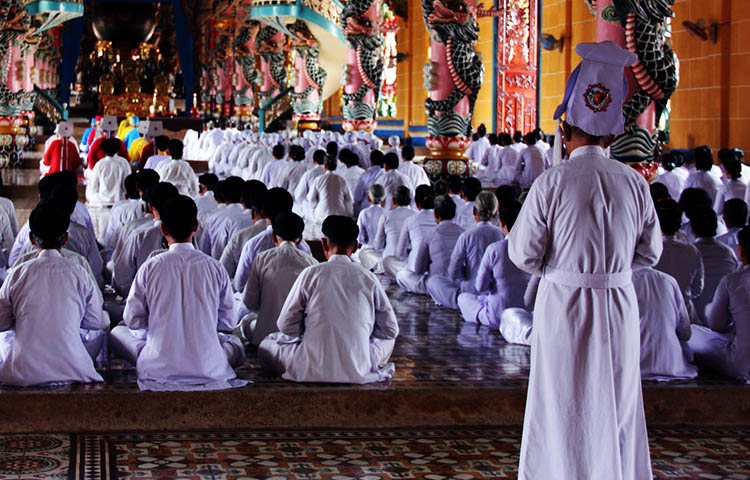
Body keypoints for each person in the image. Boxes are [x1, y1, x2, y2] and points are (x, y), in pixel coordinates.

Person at [508, 41, 661, 480]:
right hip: (618, 305)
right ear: (612, 136)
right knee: (617, 401)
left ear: (565, 129)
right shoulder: (635, 183)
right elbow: (650, 253)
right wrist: (609, 269)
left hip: (564, 304)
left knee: (563, 406)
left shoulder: (553, 182)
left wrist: (564, 267)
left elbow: (523, 253)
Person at [110, 195, 246, 391]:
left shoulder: (150, 267)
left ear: (163, 229)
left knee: (117, 333)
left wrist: (158, 333)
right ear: (196, 226)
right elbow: (226, 323)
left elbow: (133, 319)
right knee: (234, 344)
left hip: (157, 369)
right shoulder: (215, 268)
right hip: (208, 368)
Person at [258, 215, 399, 383]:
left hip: (309, 367)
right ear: (355, 247)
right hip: (358, 367)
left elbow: (285, 325)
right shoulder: (369, 278)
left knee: (267, 345)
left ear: (324, 243)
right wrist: (361, 335)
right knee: (388, 343)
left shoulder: (311, 273)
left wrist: (306, 332)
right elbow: (390, 330)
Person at [0, 203, 107, 386]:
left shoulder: (18, 272)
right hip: (73, 367)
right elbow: (95, 322)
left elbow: (2, 323)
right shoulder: (78, 271)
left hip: (22, 371)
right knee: (101, 328)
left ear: (32, 239)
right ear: (65, 239)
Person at [240, 212, 317, 346]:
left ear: (273, 237)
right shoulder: (312, 263)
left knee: (246, 322)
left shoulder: (262, 259)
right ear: (299, 239)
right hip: (298, 339)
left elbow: (249, 302)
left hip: (265, 339)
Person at [689, 225, 750, 380]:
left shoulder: (733, 280)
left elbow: (717, 325)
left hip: (742, 367)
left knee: (693, 332)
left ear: (740, 251)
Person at [457, 200, 530, 327]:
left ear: (501, 223)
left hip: (497, 314)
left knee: (463, 298)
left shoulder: (495, 249)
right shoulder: (533, 248)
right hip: (527, 313)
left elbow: (481, 287)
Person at [428, 192, 504, 309]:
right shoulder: (501, 235)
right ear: (495, 213)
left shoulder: (467, 235)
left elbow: (453, 271)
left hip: (470, 292)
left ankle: (462, 303)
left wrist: (462, 280)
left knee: (433, 281)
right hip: (496, 292)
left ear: (474, 211)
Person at [234, 188, 312, 292]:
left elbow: (240, 285)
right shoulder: (303, 247)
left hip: (260, 304)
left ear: (263, 213)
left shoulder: (253, 245)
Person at [112, 182, 179, 297]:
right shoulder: (188, 234)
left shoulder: (139, 235)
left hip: (144, 302)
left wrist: (139, 299)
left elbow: (121, 279)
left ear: (149, 207)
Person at [632, 266, 697, 381]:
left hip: (633, 367)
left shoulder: (622, 282)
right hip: (672, 365)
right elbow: (685, 332)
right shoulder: (669, 280)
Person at [395, 195, 464, 295]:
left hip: (436, 285)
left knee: (402, 275)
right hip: (459, 284)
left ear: (435, 214)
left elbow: (419, 269)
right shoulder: (463, 233)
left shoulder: (431, 235)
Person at [655, 199, 704, 323]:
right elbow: (697, 289)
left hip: (656, 313)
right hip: (684, 313)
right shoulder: (692, 250)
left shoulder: (649, 251)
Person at [691, 207, 740, 325]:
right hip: (725, 323)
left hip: (695, 324)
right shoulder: (728, 252)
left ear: (692, 230)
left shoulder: (689, 252)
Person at [383, 185, 436, 280]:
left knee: (388, 262)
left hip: (415, 272)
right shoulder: (439, 221)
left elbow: (399, 253)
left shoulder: (411, 220)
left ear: (415, 202)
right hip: (436, 272)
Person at [219, 181, 269, 279]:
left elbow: (223, 272)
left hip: (240, 290)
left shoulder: (239, 234)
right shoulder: (282, 235)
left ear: (241, 199)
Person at [85, 138, 132, 237]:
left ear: (103, 150)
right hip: (120, 205)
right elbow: (128, 184)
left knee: (104, 238)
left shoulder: (100, 164)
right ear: (117, 149)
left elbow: (93, 187)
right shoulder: (123, 163)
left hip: (102, 206)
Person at [365, 186, 414, 270]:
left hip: (389, 260)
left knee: (365, 253)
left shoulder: (386, 215)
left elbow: (378, 245)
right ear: (410, 201)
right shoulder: (415, 216)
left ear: (393, 201)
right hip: (409, 261)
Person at [307, 155, 354, 239]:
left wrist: (313, 210)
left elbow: (311, 198)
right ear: (335, 166)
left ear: (324, 166)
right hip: (340, 214)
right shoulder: (341, 179)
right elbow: (349, 199)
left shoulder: (319, 179)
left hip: (322, 215)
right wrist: (349, 214)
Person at [355, 184, 386, 271]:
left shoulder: (364, 213)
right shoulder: (387, 213)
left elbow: (361, 239)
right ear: (384, 199)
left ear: (368, 198)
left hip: (367, 251)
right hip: (383, 253)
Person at [353, 150, 386, 214]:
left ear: (371, 161)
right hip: (383, 209)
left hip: (366, 208)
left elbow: (357, 196)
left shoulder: (366, 175)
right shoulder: (386, 174)